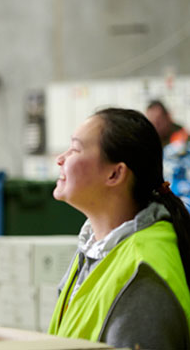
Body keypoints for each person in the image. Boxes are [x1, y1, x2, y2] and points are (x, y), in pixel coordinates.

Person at [48, 108, 190, 349]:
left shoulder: (143, 274)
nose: (60, 159)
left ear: (115, 173)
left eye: (74, 149)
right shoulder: (95, 248)